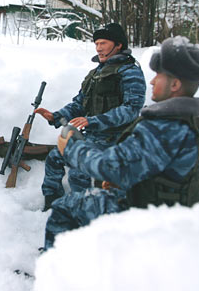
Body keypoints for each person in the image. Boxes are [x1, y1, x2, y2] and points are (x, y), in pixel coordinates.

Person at [43, 36, 199, 250]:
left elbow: (109, 166)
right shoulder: (192, 122)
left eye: (158, 76)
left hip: (148, 213)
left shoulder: (163, 128)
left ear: (174, 84)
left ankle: (57, 272)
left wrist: (72, 148)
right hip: (169, 207)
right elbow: (159, 169)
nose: (152, 82)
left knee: (65, 207)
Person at [36, 23, 146, 209]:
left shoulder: (130, 72)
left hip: (117, 138)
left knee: (80, 167)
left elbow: (131, 109)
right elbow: (80, 103)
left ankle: (84, 210)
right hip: (94, 136)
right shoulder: (96, 73)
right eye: (96, 43)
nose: (99, 48)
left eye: (103, 43)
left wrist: (93, 121)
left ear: (118, 45)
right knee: (55, 157)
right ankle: (53, 202)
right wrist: (56, 116)